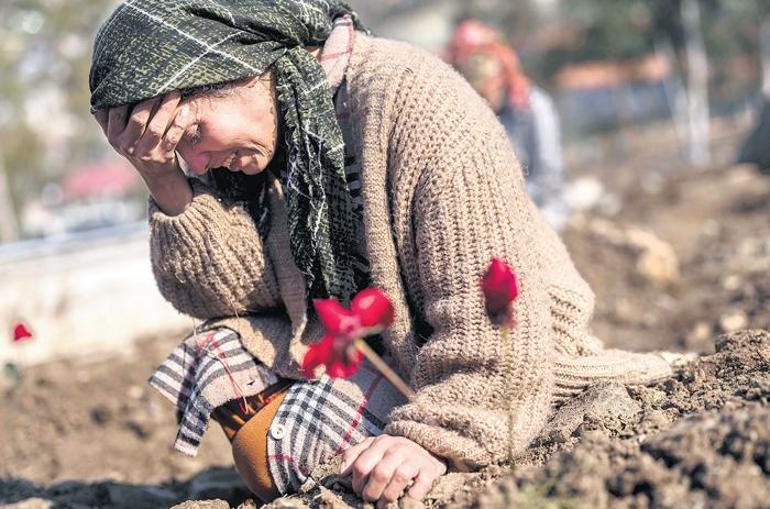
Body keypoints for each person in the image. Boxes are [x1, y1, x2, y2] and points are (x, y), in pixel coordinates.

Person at [89, 1, 675, 506]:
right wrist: (163, 180)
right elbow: (229, 295)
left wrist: (434, 438)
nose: (197, 162)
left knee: (272, 453)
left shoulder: (414, 103)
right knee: (217, 351)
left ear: (241, 69)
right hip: (395, 354)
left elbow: (500, 317)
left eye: (191, 136)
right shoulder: (278, 134)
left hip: (508, 364)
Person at [449, 19, 570, 231]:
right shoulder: (471, 118)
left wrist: (500, 203)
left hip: (542, 213)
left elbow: (547, 181)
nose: (485, 99)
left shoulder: (534, 108)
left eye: (487, 90)